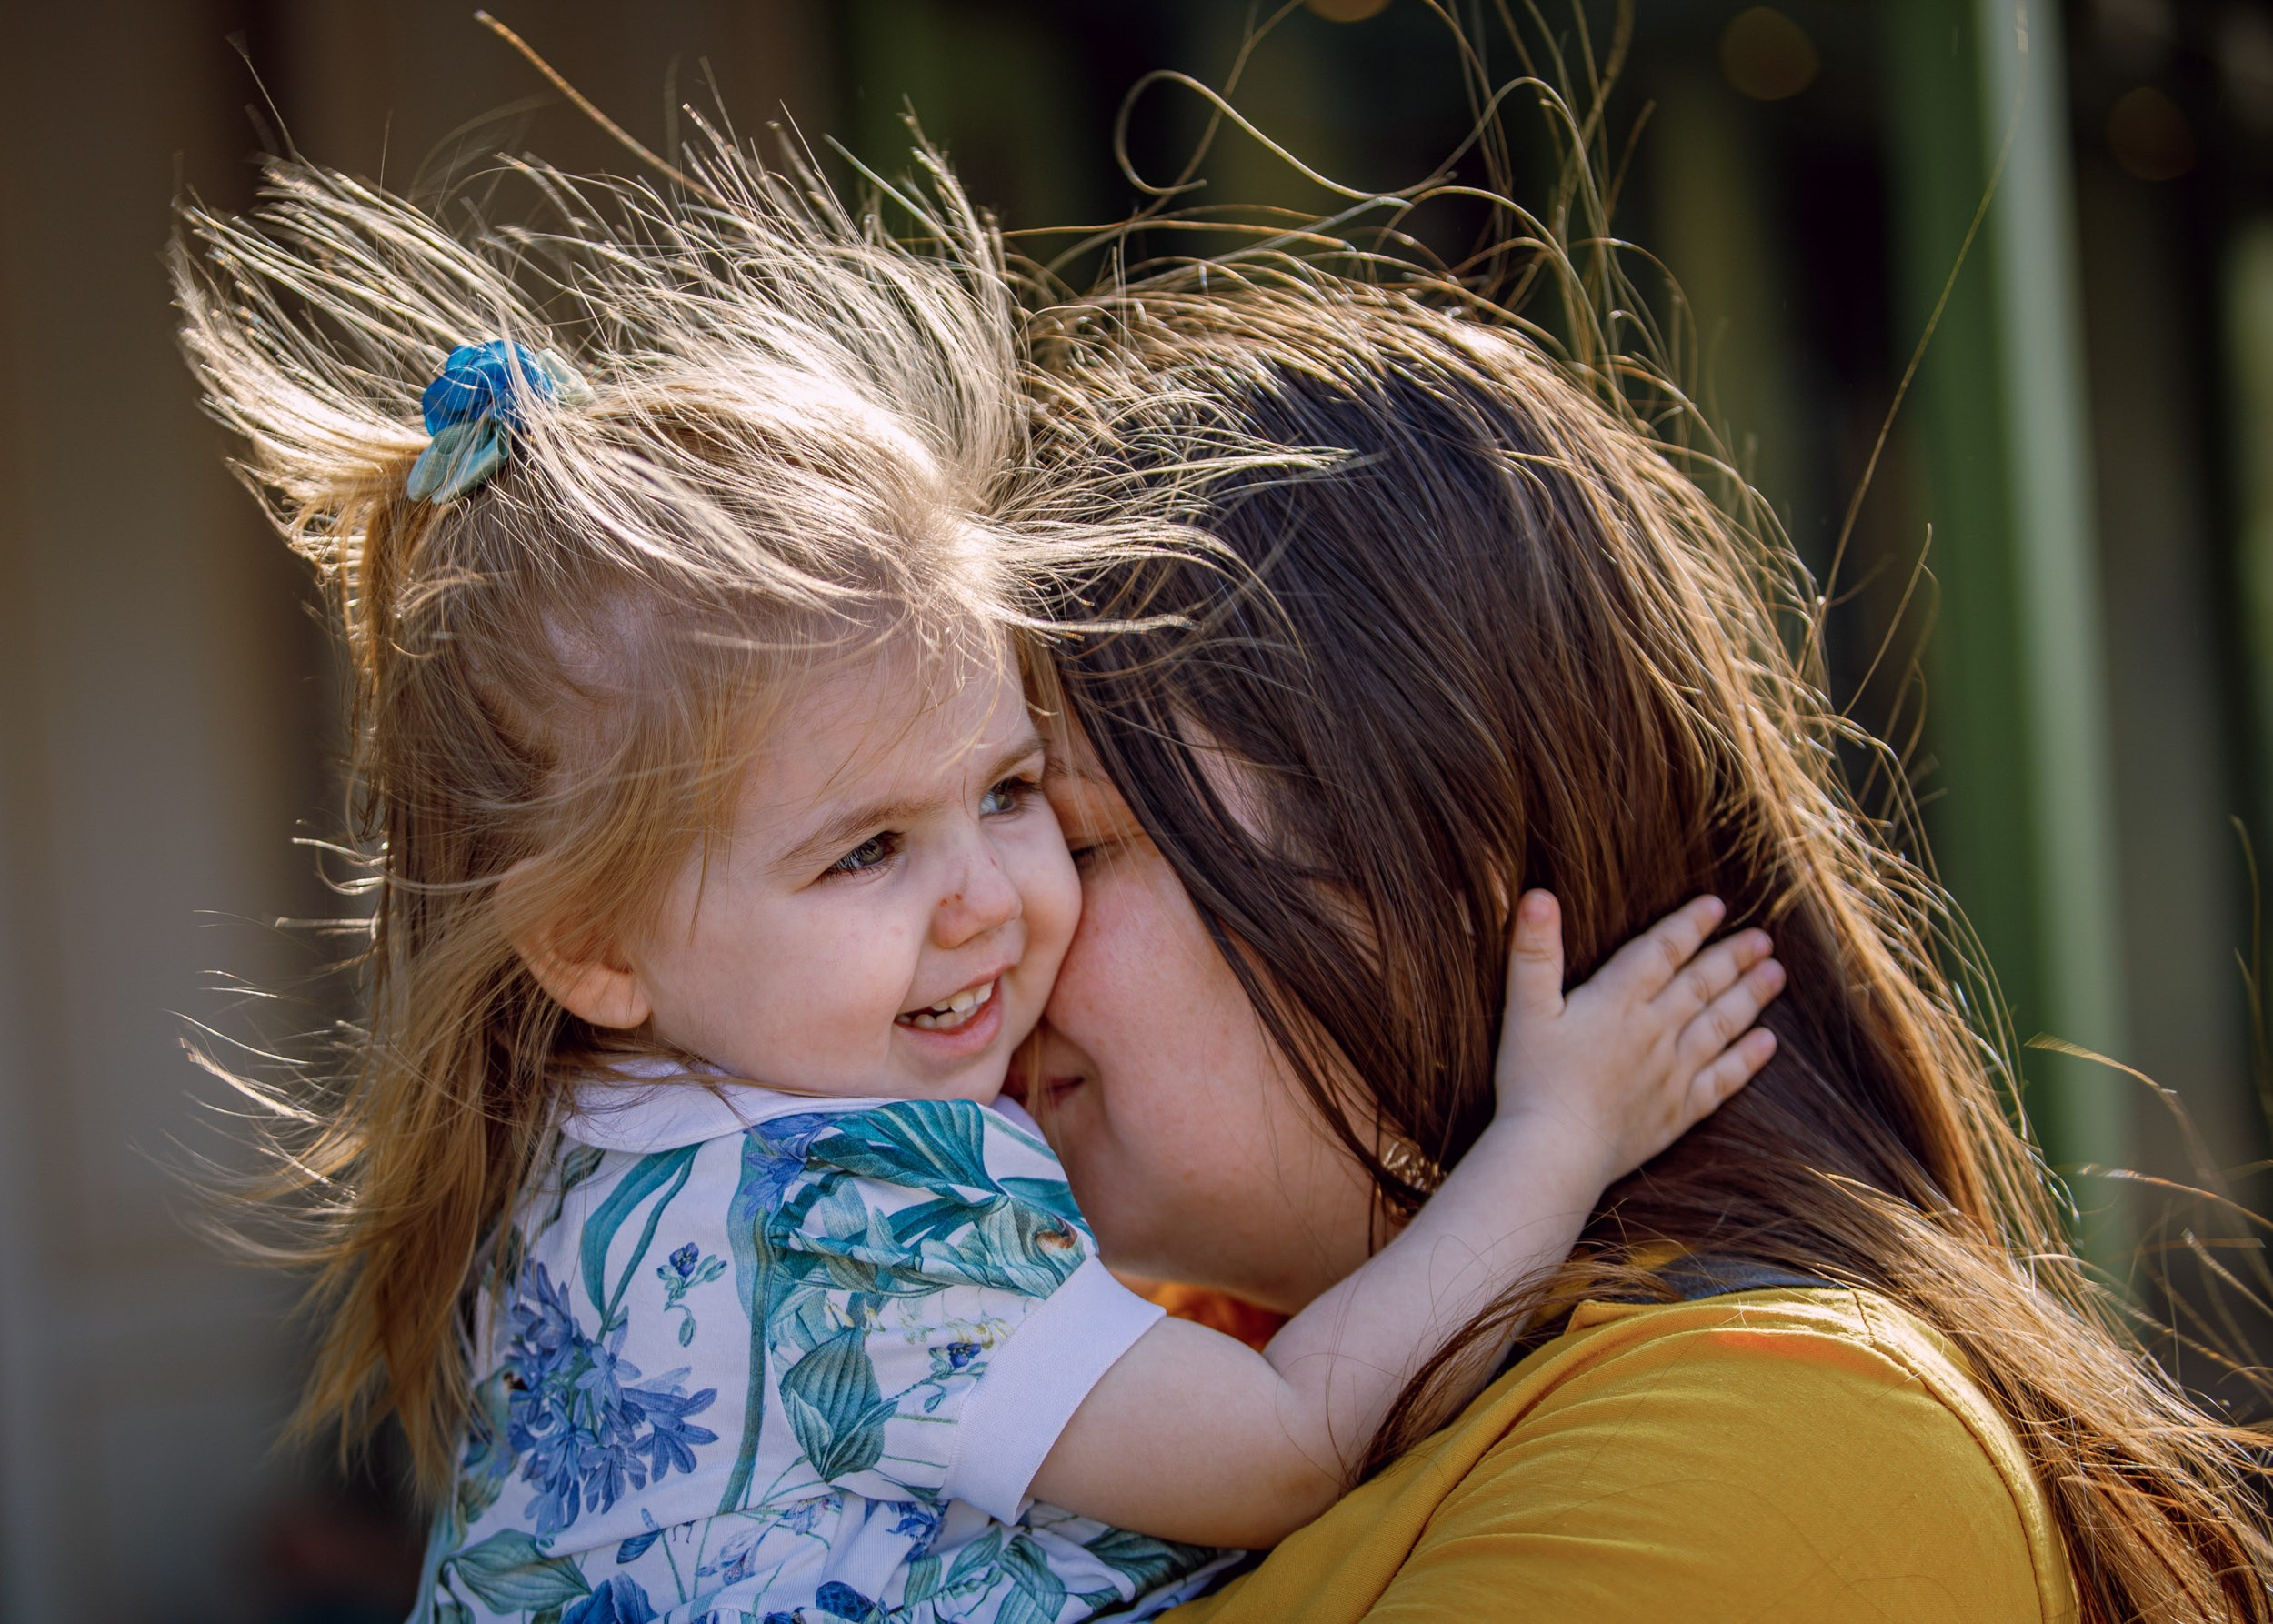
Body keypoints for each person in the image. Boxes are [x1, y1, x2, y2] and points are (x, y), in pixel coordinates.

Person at [175, 152, 1783, 1624]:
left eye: (1014, 795)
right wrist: (1554, 1140)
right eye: (866, 849)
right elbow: (1288, 1440)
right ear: (590, 944)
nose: (990, 898)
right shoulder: (837, 1212)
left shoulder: (628, 1154)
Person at [1016, 275, 2273, 1622]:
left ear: (1444, 842)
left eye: (1068, 840)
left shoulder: (1784, 1433)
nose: (973, 935)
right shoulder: (1124, 1382)